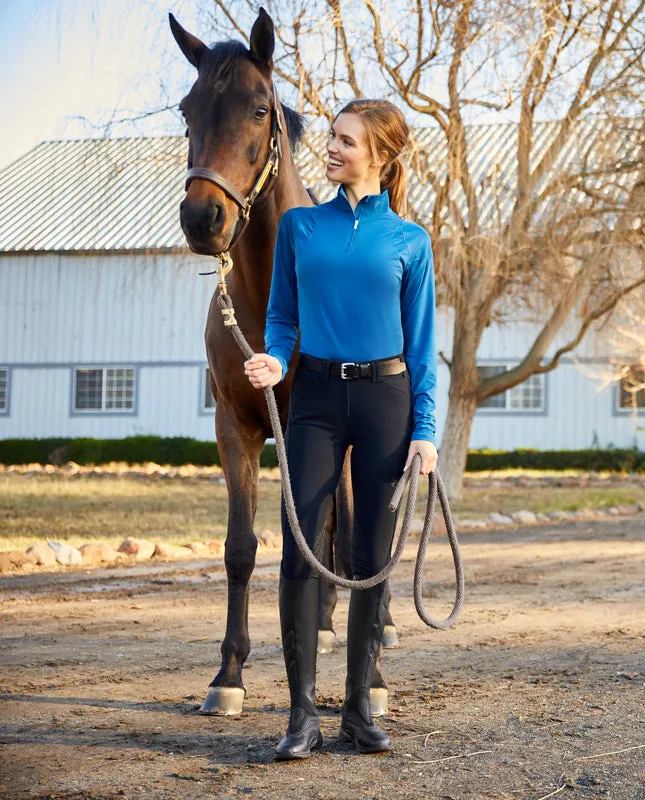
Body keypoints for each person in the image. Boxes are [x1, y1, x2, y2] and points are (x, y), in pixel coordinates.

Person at [243, 98, 438, 760]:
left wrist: (426, 430)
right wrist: (274, 357)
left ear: (381, 156)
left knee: (370, 559)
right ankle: (301, 716)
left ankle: (359, 710)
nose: (331, 147)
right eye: (330, 136)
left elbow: (422, 346)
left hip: (387, 396)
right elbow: (282, 317)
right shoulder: (300, 227)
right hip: (317, 397)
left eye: (346, 140)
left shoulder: (410, 241)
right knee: (300, 551)